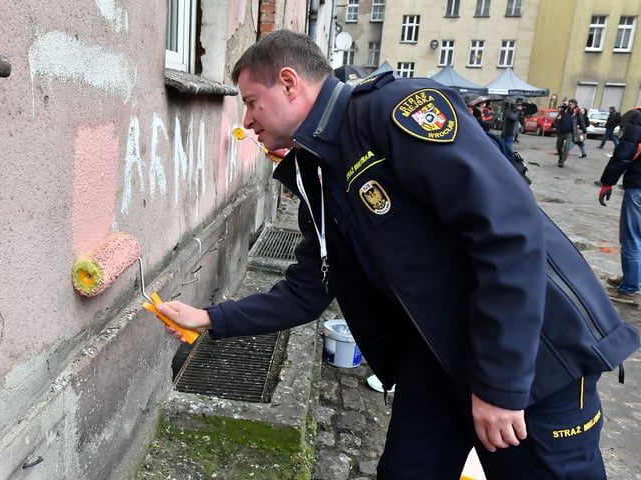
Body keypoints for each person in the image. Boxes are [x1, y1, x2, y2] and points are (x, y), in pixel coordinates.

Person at [155, 30, 639, 478]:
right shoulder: (319, 170)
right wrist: (210, 318)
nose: (246, 120)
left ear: (288, 83)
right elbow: (309, 287)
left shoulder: (395, 110)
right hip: (437, 360)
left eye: (251, 102)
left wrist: (501, 384)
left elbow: (509, 233)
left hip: (535, 361)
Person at [598, 107, 641, 302]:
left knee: (632, 237)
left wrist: (608, 182)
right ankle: (633, 278)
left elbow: (625, 151)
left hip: (639, 186)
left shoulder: (638, 117)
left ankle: (630, 288)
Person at [554, 99, 586, 167]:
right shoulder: (564, 111)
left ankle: (562, 162)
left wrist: (584, 132)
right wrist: (556, 125)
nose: (571, 105)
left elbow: (581, 122)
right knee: (559, 146)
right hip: (562, 131)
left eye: (572, 104)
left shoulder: (577, 112)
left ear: (575, 105)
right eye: (570, 104)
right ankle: (560, 157)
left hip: (570, 132)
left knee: (566, 147)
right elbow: (557, 119)